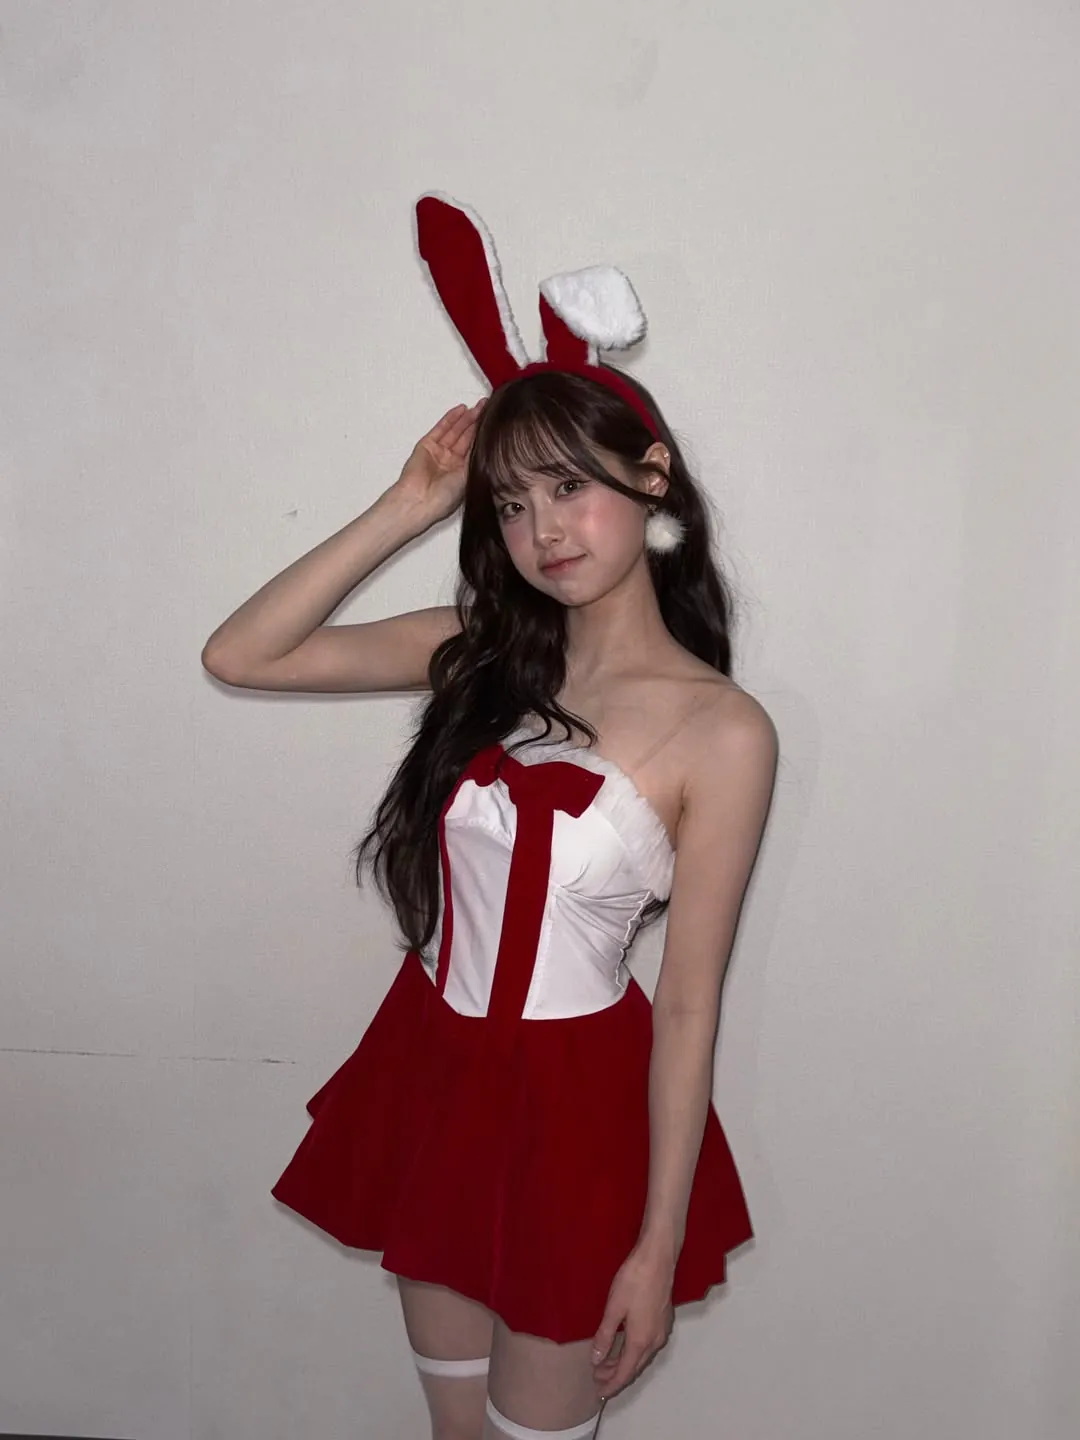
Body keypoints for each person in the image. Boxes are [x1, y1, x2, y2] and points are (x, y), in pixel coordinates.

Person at [202, 196, 778, 1440]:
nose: (541, 530)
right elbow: (242, 654)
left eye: (568, 486)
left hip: (578, 1115)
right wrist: (408, 505)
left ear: (652, 477)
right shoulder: (481, 651)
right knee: (455, 1432)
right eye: (510, 504)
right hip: (435, 1074)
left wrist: (655, 1243)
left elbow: (688, 1003)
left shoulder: (725, 731)